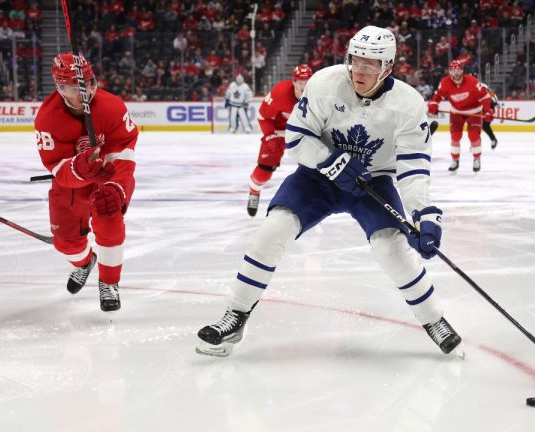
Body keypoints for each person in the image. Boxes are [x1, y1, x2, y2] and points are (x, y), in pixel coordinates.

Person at [196, 25, 463, 359]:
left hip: (373, 180)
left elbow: (413, 166)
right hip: (317, 176)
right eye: (356, 61)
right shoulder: (324, 82)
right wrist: (329, 161)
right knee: (271, 232)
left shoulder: (408, 104)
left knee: (390, 248)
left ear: (388, 68)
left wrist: (424, 213)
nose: (360, 70)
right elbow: (295, 137)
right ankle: (235, 315)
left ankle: (433, 319)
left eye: (371, 65)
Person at [34, 52, 138, 312]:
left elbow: (124, 150)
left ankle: (109, 282)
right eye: (73, 88)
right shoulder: (47, 118)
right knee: (66, 242)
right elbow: (56, 166)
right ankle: (84, 262)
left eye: (89, 83)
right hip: (70, 183)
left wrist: (117, 187)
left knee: (109, 215)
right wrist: (78, 169)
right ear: (59, 89)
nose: (85, 92)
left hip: (107, 175)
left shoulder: (112, 106)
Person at [246, 65, 313, 217]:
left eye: (306, 82)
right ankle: (254, 192)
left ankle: (307, 198)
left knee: (309, 167)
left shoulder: (318, 94)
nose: (303, 87)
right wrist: (269, 136)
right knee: (265, 168)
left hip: (302, 132)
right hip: (278, 131)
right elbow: (264, 116)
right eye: (300, 82)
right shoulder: (280, 92)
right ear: (293, 82)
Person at [427, 59, 493, 172]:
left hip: (474, 112)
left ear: (462, 70)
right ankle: (455, 160)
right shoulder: (445, 82)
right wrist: (433, 105)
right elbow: (438, 96)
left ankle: (477, 159)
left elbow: (485, 97)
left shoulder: (472, 81)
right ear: (450, 71)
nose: (456, 72)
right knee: (455, 137)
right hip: (456, 112)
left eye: (458, 70)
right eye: (453, 70)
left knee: (473, 136)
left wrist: (487, 110)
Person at [480, 83, 499, 150]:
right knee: (475, 125)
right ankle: (476, 142)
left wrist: (493, 105)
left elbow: (492, 94)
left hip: (488, 105)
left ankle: (493, 139)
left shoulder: (481, 86)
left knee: (485, 125)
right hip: (479, 106)